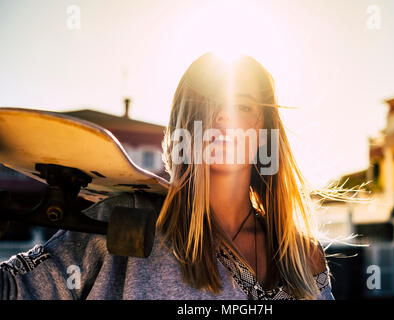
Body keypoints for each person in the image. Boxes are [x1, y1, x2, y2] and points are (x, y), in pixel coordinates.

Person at [0, 53, 334, 300]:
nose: (221, 115)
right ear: (187, 121)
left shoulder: (303, 254)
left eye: (242, 105)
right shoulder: (125, 221)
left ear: (262, 128)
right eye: (207, 103)